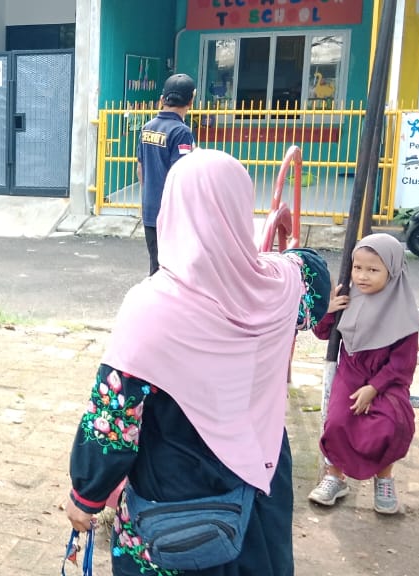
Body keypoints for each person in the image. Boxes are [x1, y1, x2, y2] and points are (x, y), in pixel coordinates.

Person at [65, 150, 330, 576]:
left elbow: (113, 425)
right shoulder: (288, 285)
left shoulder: (150, 308)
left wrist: (86, 497)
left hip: (176, 503)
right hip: (260, 486)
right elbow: (315, 271)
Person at [308, 233, 419, 515]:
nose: (363, 276)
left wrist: (374, 387)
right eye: (357, 268)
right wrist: (328, 309)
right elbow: (324, 334)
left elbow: (402, 364)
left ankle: (384, 481)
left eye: (373, 270)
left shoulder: (402, 311)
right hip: (351, 371)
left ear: (392, 271)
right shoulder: (348, 295)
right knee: (337, 421)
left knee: (390, 425)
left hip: (387, 381)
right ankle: (335, 477)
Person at [137, 73, 196, 275]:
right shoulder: (182, 132)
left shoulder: (147, 128)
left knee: (156, 267)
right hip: (173, 213)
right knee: (174, 271)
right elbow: (181, 174)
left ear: (162, 99)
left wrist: (146, 200)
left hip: (151, 210)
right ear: (192, 99)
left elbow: (140, 168)